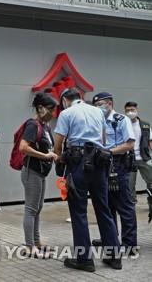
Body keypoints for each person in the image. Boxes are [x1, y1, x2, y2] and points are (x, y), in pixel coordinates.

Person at [53, 89, 121, 272]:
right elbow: (104, 139)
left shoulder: (66, 113)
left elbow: (58, 143)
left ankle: (84, 260)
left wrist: (59, 158)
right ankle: (114, 257)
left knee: (78, 211)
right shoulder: (98, 111)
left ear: (66, 100)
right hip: (100, 161)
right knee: (103, 208)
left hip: (78, 163)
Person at [91, 93, 137, 253]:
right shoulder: (97, 119)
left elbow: (130, 144)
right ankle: (110, 239)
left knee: (124, 205)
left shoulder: (121, 120)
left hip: (117, 165)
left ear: (109, 103)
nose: (98, 108)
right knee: (107, 205)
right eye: (96, 105)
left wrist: (109, 152)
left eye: (101, 104)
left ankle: (129, 244)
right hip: (101, 165)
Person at [18, 93, 58, 258]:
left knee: (38, 208)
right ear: (40, 108)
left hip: (40, 172)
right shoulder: (33, 125)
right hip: (31, 172)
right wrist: (45, 156)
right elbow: (23, 147)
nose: (53, 113)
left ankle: (37, 242)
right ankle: (29, 246)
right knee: (31, 209)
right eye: (50, 109)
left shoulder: (46, 126)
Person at [124, 101, 152, 203]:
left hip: (144, 158)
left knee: (151, 180)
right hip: (129, 159)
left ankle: (151, 201)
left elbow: (150, 141)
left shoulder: (145, 125)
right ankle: (131, 204)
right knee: (129, 184)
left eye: (132, 110)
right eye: (128, 110)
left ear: (137, 110)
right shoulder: (123, 124)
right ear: (124, 111)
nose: (130, 112)